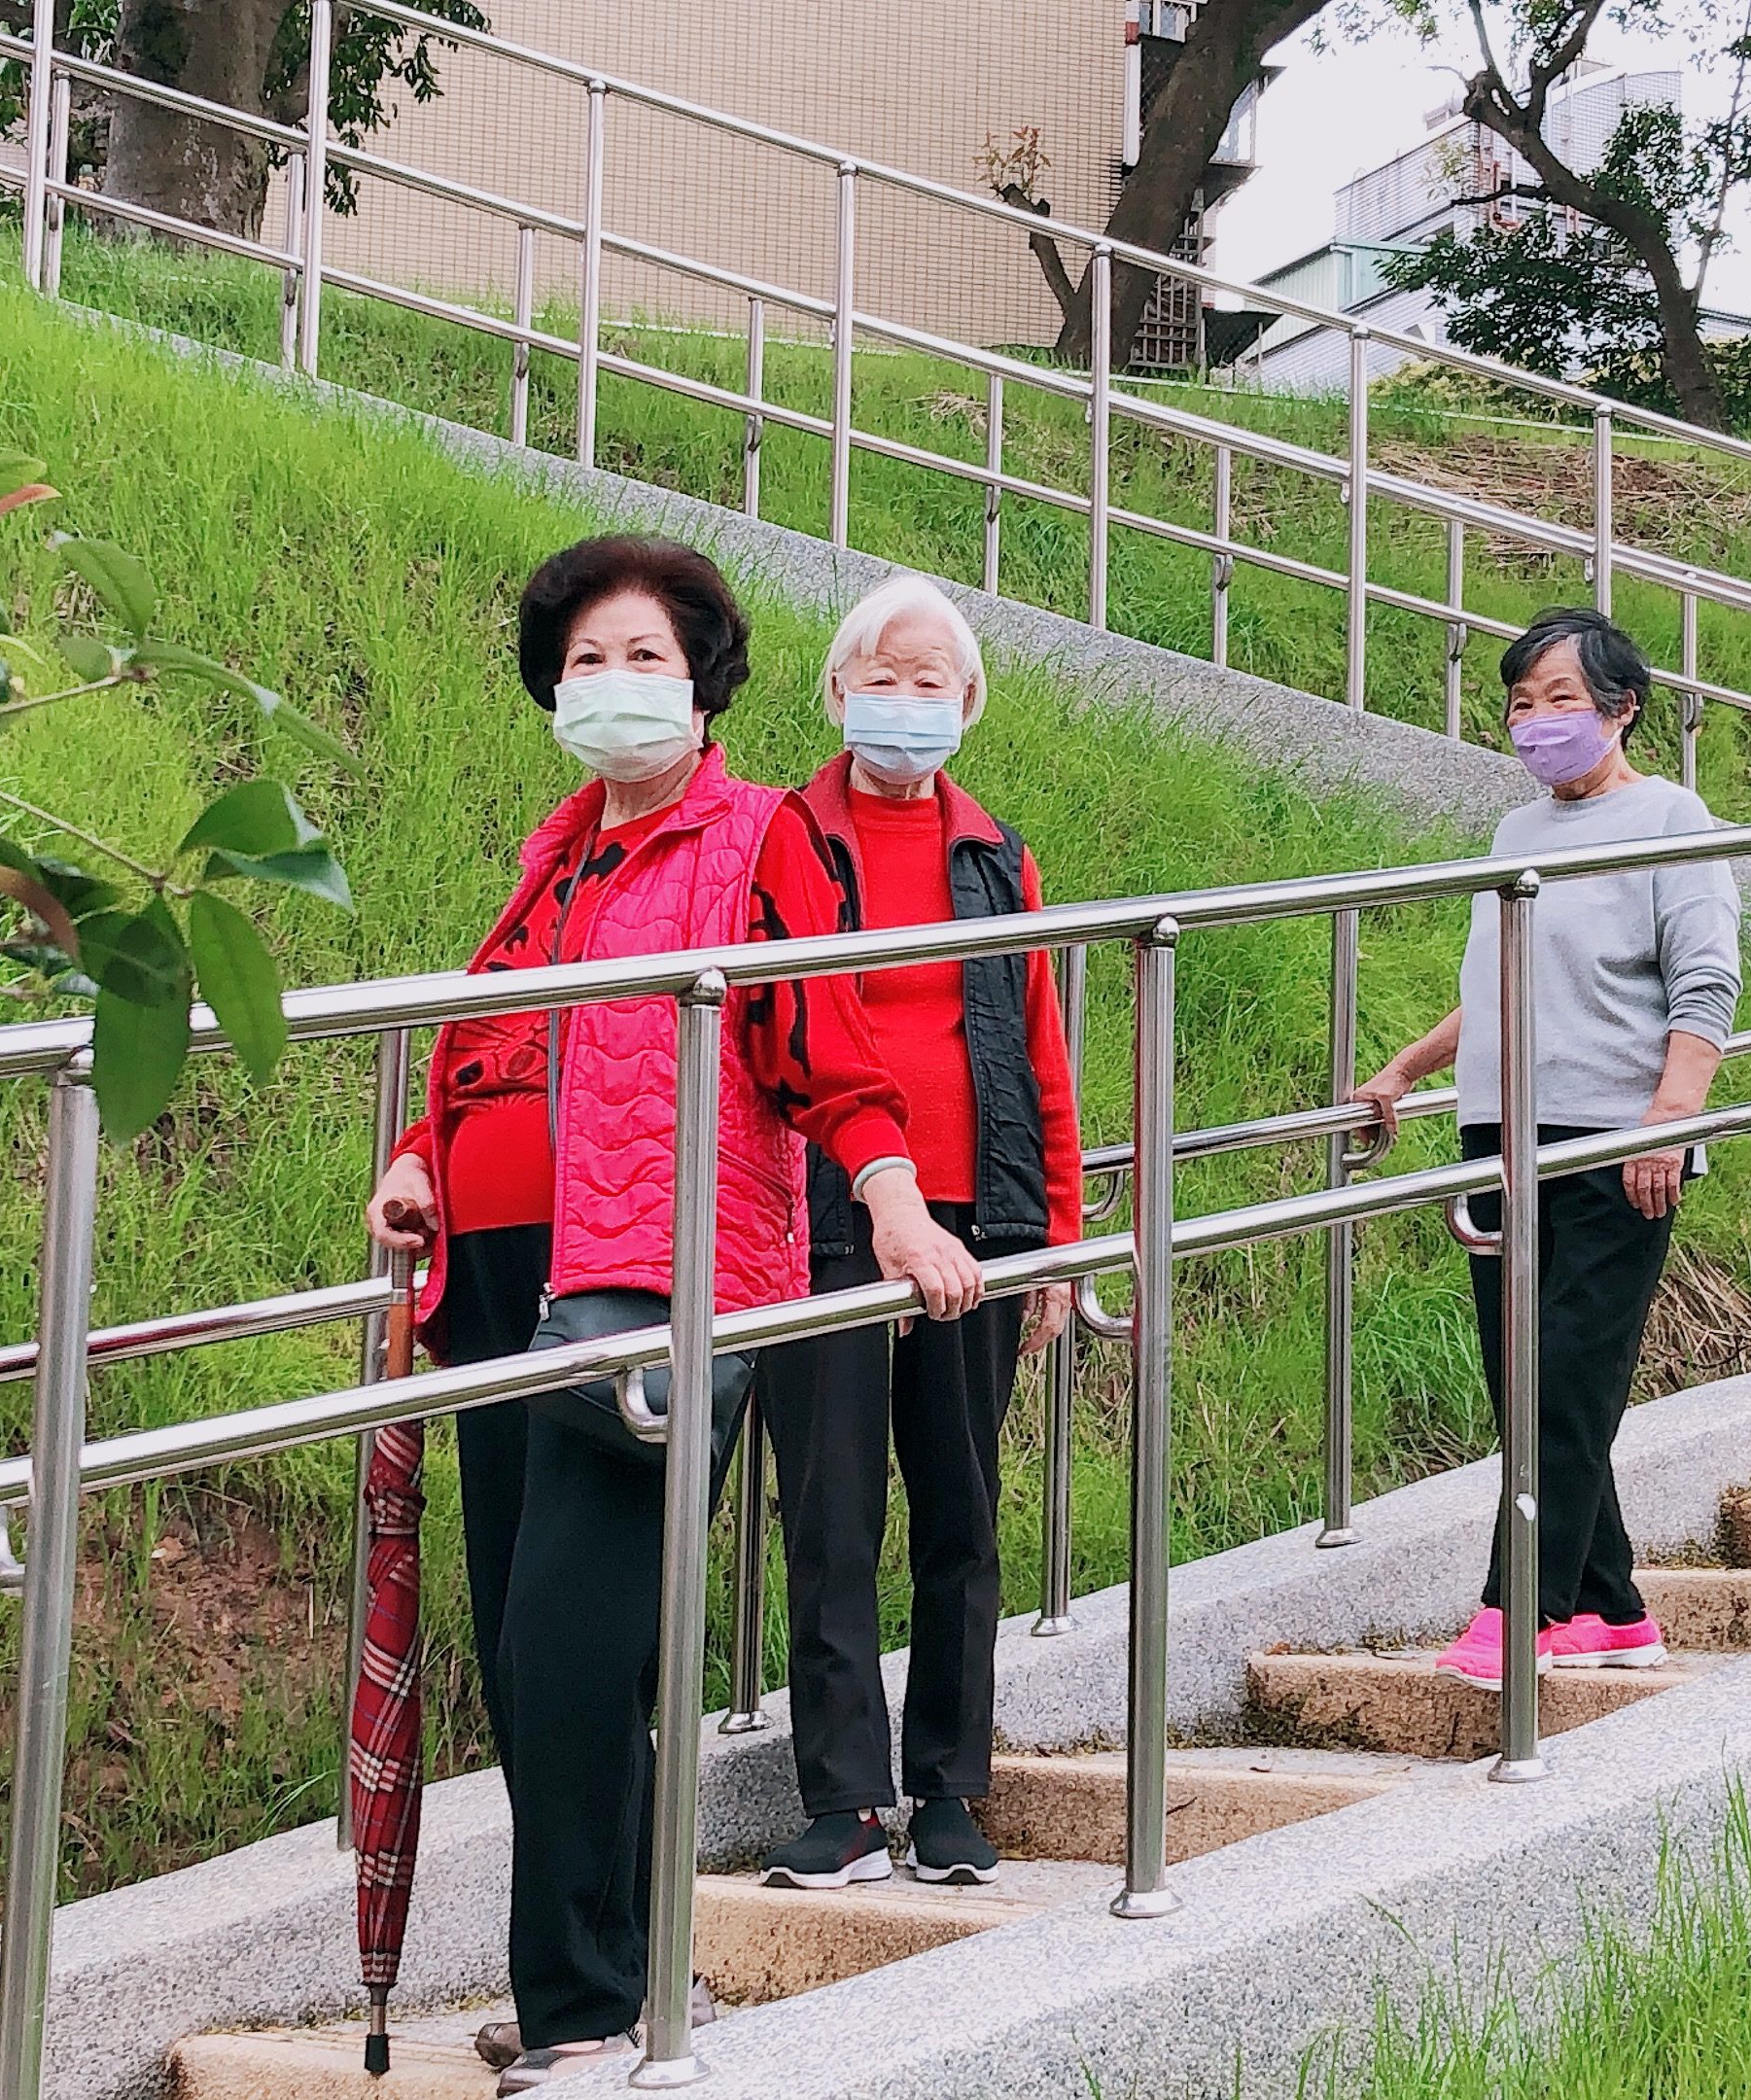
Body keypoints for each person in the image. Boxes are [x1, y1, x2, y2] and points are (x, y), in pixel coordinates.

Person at [366, 536, 983, 2093]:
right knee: (521, 1660)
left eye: (645, 657)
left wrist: (894, 1196)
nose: (611, 685)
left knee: (576, 1653)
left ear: (704, 682)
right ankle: (595, 1984)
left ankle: (590, 2022)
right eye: (584, 661)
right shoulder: (554, 858)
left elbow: (824, 1042)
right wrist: (421, 1159)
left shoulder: (757, 837)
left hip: (647, 1282)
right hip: (503, 1288)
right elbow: (500, 1050)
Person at [754, 577, 1083, 1892]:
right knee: (829, 1509)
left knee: (962, 1509)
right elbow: (806, 1020)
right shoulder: (793, 833)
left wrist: (1053, 1223)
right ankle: (843, 1799)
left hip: (978, 1212)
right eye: (880, 679)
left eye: (930, 681)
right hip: (833, 1208)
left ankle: (949, 1787)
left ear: (968, 703)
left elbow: (1041, 1041)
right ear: (837, 694)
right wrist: (878, 1194)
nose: (905, 702)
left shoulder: (998, 854)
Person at [1350, 606, 1738, 1690]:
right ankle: (1612, 1609)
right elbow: (1503, 984)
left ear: (1622, 708)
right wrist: (1407, 1069)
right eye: (1522, 703)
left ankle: (1520, 1607)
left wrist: (1674, 1119)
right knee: (1526, 1378)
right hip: (1499, 1137)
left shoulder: (1672, 818)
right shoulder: (1517, 836)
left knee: (1564, 1376)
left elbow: (1707, 983)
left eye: (1562, 700)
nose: (1537, 722)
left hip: (1620, 1140)